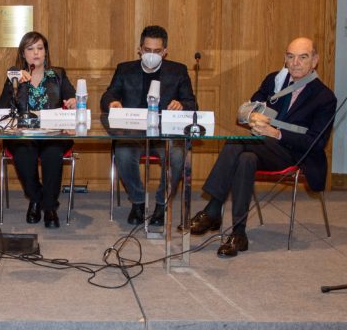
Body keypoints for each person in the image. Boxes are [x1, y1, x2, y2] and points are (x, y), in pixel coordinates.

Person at [187, 37, 336, 257]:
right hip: (262, 148)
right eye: (291, 57)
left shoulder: (325, 97)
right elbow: (249, 108)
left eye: (303, 57)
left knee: (236, 142)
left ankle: (213, 208)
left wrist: (277, 133)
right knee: (245, 159)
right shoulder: (275, 80)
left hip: (295, 154)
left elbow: (316, 143)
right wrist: (253, 115)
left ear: (314, 61)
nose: (295, 63)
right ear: (285, 59)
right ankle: (239, 234)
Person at [100, 25, 196, 226]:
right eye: (147, 50)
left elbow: (192, 103)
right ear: (140, 49)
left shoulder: (178, 71)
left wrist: (182, 104)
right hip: (132, 133)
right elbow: (108, 95)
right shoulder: (125, 69)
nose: (151, 55)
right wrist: (112, 102)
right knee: (123, 152)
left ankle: (161, 204)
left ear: (165, 52)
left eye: (157, 51)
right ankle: (138, 201)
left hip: (165, 134)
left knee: (178, 155)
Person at [0, 31, 76, 229]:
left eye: (40, 48)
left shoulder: (58, 75)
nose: (36, 53)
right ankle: (38, 199)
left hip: (53, 134)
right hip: (24, 135)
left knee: (52, 154)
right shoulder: (16, 76)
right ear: (23, 54)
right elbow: (0, 108)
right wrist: (13, 83)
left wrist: (73, 103)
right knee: (24, 154)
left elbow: (72, 98)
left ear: (45, 52)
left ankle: (48, 207)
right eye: (30, 49)